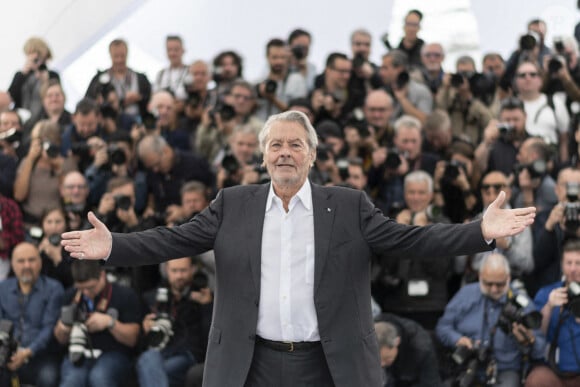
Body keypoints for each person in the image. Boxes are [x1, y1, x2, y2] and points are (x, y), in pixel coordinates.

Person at [62, 110, 536, 387]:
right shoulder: (233, 204)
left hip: (328, 363)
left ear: (311, 154)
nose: (284, 152)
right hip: (253, 364)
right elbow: (170, 240)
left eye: (295, 145)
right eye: (276, 146)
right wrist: (113, 246)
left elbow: (414, 238)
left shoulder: (348, 206)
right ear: (264, 155)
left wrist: (480, 230)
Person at [436, 253, 546, 387]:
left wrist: (529, 341)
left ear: (508, 278)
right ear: (480, 276)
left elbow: (540, 349)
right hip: (468, 365)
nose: (494, 289)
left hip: (505, 369)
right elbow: (442, 327)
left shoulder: (521, 302)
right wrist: (457, 339)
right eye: (488, 284)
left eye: (499, 284)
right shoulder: (465, 295)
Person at [54, 260, 141, 387]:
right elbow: (59, 339)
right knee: (72, 381)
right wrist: (64, 327)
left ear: (102, 275)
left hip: (113, 354)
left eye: (90, 287)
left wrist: (110, 323)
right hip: (78, 352)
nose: (86, 293)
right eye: (80, 288)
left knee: (100, 377)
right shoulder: (71, 296)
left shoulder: (124, 295)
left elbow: (133, 339)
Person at [136, 257, 213, 387]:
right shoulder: (153, 298)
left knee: (153, 369)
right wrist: (145, 329)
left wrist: (207, 307)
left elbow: (211, 338)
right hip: (158, 352)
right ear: (166, 270)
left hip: (187, 354)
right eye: (174, 271)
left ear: (193, 270)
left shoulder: (203, 297)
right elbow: (139, 344)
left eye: (183, 271)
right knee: (149, 359)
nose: (179, 276)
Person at [0, 242, 64, 387]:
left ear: (40, 262)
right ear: (12, 264)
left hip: (41, 356)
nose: (27, 266)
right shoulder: (2, 288)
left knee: (49, 378)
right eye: (21, 261)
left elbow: (49, 328)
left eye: (32, 260)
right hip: (6, 353)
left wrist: (27, 352)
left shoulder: (54, 289)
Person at [525, 238, 580, 386]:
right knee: (536, 380)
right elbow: (536, 334)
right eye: (569, 263)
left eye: (578, 263)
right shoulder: (546, 293)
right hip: (554, 370)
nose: (573, 269)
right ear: (562, 265)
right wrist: (549, 307)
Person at [85, 39, 151, 118]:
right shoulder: (99, 79)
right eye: (116, 56)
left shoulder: (140, 78)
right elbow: (87, 102)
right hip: (111, 123)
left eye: (122, 56)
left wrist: (139, 98)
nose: (119, 60)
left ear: (127, 54)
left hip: (138, 120)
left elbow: (151, 99)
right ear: (110, 55)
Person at [374, 313, 442, 387]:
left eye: (387, 358)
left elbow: (431, 383)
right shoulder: (367, 332)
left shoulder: (422, 348)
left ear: (397, 341)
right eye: (377, 359)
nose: (382, 364)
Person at [153, 35, 189, 101]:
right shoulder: (161, 74)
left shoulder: (190, 72)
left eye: (176, 49)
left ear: (183, 50)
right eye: (169, 50)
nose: (172, 53)